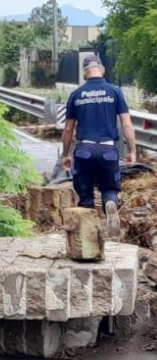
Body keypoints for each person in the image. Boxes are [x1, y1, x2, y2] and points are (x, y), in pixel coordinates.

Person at [61, 55, 136, 237]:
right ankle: (109, 203)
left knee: (85, 195)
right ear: (102, 70)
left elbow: (68, 129)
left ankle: (87, 235)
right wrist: (132, 151)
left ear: (85, 72)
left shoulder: (76, 94)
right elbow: (127, 124)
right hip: (108, 150)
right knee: (110, 188)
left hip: (84, 150)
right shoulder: (114, 92)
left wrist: (66, 154)